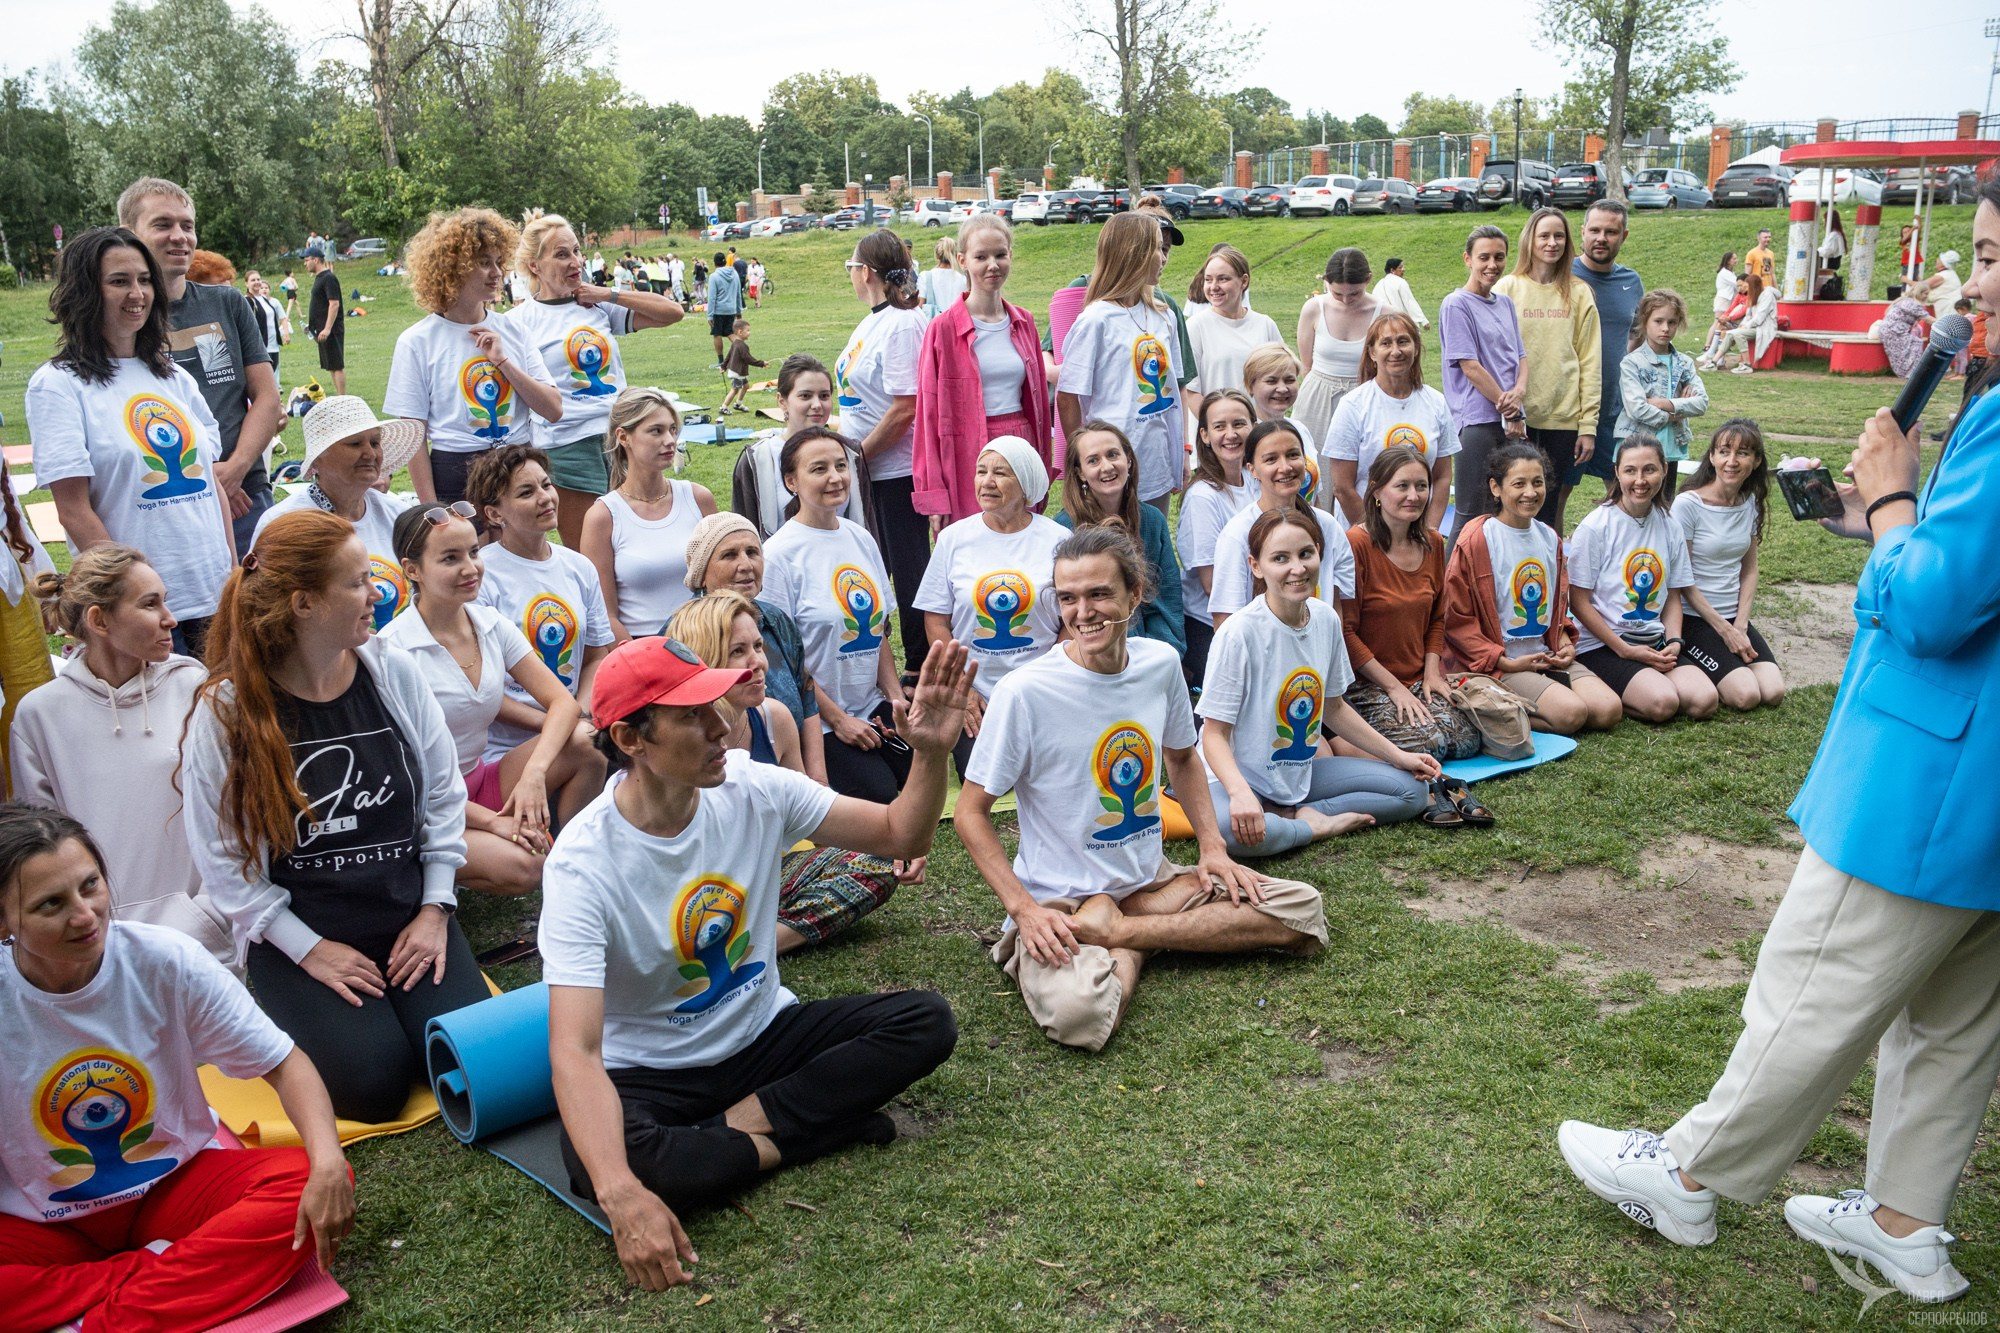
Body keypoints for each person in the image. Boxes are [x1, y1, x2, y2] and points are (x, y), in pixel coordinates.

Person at [1558, 180, 2000, 1304]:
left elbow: (1941, 603)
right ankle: (1903, 1220)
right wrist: (1894, 512)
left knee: (1813, 978)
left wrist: (1893, 507)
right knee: (1951, 1016)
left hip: (1930, 772)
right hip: (1985, 793)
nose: (1972, 286)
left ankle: (1689, 1171)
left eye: (1991, 258)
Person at [542, 635, 966, 1290]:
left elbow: (898, 833)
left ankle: (736, 1137)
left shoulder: (753, 787)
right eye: (691, 715)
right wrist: (622, 1193)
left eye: (718, 703)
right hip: (654, 1072)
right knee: (609, 1168)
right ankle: (812, 1130)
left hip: (763, 1035)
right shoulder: (584, 863)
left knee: (926, 1021)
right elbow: (575, 1049)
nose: (722, 726)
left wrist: (932, 751)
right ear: (630, 739)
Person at [956, 525, 1328, 1052]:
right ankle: (1145, 934)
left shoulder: (1158, 664)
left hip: (1152, 884)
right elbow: (971, 813)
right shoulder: (1025, 692)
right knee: (1079, 1016)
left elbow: (1182, 756)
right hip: (1062, 905)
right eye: (1068, 598)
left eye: (1099, 594)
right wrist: (1024, 912)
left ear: (1134, 594)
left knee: (1302, 910)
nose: (1083, 612)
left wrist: (1212, 848)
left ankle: (1122, 935)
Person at [182, 510, 490, 1122]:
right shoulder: (227, 710)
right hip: (301, 936)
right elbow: (222, 865)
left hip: (409, 919)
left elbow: (443, 799)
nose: (376, 592)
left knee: (470, 1064)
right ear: (303, 603)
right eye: (355, 582)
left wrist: (434, 910)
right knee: (372, 1087)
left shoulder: (392, 672)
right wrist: (308, 950)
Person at [0, 805, 355, 1333]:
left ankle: (102, 1321)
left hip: (172, 1188)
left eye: (90, 885)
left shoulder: (165, 960)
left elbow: (284, 1064)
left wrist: (327, 1164)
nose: (85, 914)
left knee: (308, 1181)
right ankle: (154, 1277)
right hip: (40, 1223)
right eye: (51, 904)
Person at [11, 546, 232, 965]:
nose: (171, 618)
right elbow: (41, 848)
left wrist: (209, 916)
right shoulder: (41, 715)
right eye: (151, 604)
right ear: (99, 620)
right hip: (99, 947)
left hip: (204, 941)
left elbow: (229, 809)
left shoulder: (194, 685)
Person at [27, 226, 236, 657]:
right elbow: (73, 510)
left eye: (144, 280)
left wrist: (232, 575)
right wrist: (132, 596)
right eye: (119, 281)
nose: (137, 293)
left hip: (214, 601)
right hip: (137, 613)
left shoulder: (173, 377)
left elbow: (210, 483)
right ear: (85, 291)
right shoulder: (58, 385)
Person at [382, 500, 604, 896]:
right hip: (427, 810)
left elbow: (564, 703)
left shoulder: (489, 624)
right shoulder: (393, 651)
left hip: (480, 778)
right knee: (527, 868)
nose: (471, 568)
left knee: (588, 741)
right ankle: (420, 872)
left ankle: (577, 862)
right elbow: (410, 782)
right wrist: (492, 822)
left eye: (472, 552)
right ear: (412, 570)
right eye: (450, 558)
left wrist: (535, 772)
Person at [667, 591, 911, 945]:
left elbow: (809, 816)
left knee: (879, 864)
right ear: (702, 658)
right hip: (697, 887)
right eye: (738, 652)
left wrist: (891, 840)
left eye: (758, 646)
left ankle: (758, 944)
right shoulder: (679, 739)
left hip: (767, 873)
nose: (758, 662)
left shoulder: (774, 718)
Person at [1199, 507, 1436, 858]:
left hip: (1299, 775)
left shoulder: (1325, 619)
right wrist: (1239, 793)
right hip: (1235, 777)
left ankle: (1313, 815)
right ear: (1256, 566)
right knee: (1230, 834)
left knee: (1413, 792)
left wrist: (1399, 756)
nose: (1297, 568)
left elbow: (1334, 708)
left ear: (1319, 556)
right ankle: (1310, 827)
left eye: (1305, 554)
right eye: (1280, 558)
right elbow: (1213, 734)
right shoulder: (1239, 633)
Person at [118, 178, 281, 555]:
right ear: (129, 235)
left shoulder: (227, 303)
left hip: (245, 495)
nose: (180, 237)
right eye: (162, 225)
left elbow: (267, 397)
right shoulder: (123, 317)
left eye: (187, 226)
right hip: (165, 501)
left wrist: (237, 467)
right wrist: (207, 478)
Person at [504, 213, 684, 548]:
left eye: (576, 251)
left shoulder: (597, 307)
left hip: (621, 441)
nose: (575, 262)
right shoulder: (518, 322)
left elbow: (673, 313)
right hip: (566, 448)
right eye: (561, 255)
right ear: (534, 266)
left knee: (637, 544)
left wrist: (607, 294)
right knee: (588, 551)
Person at [761, 429, 908, 802]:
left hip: (871, 706)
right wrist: (839, 720)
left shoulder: (860, 538)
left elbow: (877, 633)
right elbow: (783, 661)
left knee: (919, 770)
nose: (835, 477)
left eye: (841, 466)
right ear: (791, 482)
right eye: (819, 469)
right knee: (881, 792)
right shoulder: (778, 555)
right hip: (819, 721)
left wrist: (894, 698)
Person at [384, 208, 562, 506]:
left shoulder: (514, 331)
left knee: (524, 553)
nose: (497, 273)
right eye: (483, 263)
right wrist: (431, 509)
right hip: (456, 474)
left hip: (518, 465)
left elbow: (553, 409)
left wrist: (504, 363)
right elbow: (415, 439)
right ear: (453, 268)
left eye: (498, 262)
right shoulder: (416, 342)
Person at [1444, 443, 1623, 735]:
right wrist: (1503, 661)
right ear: (1496, 487)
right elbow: (1456, 618)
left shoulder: (1549, 537)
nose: (1531, 492)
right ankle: (1482, 710)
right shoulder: (1478, 539)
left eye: (1537, 482)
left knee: (1608, 710)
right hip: (1501, 663)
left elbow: (1557, 607)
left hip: (1544, 654)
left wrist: (1564, 641)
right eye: (1519, 484)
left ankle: (1536, 700)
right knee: (1572, 714)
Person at [913, 437, 1066, 774]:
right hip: (976, 691)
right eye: (981, 471)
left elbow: (1070, 621)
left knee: (1048, 768)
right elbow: (936, 618)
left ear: (1026, 485)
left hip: (1041, 685)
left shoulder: (1058, 541)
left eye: (1001, 473)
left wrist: (1052, 679)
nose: (987, 482)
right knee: (986, 771)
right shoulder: (953, 538)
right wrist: (961, 688)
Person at [469, 444, 615, 765]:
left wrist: (581, 712)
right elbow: (479, 684)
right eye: (526, 492)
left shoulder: (579, 568)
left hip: (577, 727)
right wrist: (559, 723)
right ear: (494, 514)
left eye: (546, 484)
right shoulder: (480, 575)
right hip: (504, 747)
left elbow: (595, 656)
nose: (545, 497)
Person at [1339, 448, 1484, 770]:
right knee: (1429, 743)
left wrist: (1432, 673)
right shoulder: (1355, 544)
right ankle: (1344, 741)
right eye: (1402, 486)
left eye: (1421, 486)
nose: (1414, 496)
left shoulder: (1432, 541)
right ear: (1377, 491)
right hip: (1367, 683)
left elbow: (1437, 618)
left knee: (1465, 740)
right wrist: (1392, 687)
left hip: (1419, 677)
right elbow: (1344, 632)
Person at [1563, 432, 1718, 723]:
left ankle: (1645, 682)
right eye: (1630, 470)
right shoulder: (1596, 527)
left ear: (1664, 470)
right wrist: (1625, 650)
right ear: (1616, 473)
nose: (1640, 480)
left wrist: (1674, 640)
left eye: (1649, 469)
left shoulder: (1670, 524)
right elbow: (1578, 601)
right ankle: (1616, 687)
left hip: (1653, 640)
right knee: (1663, 703)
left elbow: (1673, 594)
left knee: (1704, 701)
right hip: (1605, 644)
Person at [913, 214, 1053, 525]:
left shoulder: (1024, 322)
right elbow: (928, 414)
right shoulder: (942, 329)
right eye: (981, 257)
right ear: (963, 260)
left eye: (1000, 255)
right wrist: (933, 492)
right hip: (967, 452)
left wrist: (1041, 465)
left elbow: (1041, 404)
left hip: (1019, 440)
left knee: (1021, 536)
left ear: (1010, 256)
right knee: (974, 545)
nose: (992, 265)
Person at [835, 230, 932, 677]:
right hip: (871, 468)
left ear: (866, 272)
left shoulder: (903, 323)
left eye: (851, 268)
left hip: (894, 470)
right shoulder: (874, 320)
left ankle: (918, 661)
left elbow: (905, 408)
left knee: (909, 567)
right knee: (884, 565)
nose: (850, 276)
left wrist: (857, 460)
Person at [252, 396, 423, 631]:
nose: (370, 454)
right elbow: (268, 612)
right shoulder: (285, 523)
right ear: (319, 457)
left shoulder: (398, 514)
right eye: (355, 444)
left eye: (375, 443)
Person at [1056, 213, 1189, 511]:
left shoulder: (1164, 316)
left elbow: (1173, 393)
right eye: (1157, 248)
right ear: (1134, 254)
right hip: (1110, 466)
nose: (1163, 258)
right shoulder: (1096, 320)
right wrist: (1083, 457)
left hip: (1155, 462)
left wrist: (1180, 452)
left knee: (1150, 543)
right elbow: (1067, 396)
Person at [685, 512, 829, 785]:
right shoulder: (684, 634)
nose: (746, 565)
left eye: (753, 552)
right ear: (702, 573)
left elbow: (806, 694)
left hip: (788, 759)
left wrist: (818, 779)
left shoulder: (775, 619)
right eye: (729, 555)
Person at [581, 387, 717, 640]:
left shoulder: (698, 499)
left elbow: (722, 587)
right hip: (640, 647)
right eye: (656, 431)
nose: (669, 440)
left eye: (672, 430)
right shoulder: (603, 517)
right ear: (624, 437)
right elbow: (604, 615)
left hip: (705, 641)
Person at [1495, 207, 1601, 531]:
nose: (1552, 243)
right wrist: (1508, 411)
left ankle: (1546, 578)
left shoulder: (1579, 292)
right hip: (1515, 420)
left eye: (1559, 236)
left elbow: (1590, 361)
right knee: (1507, 506)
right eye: (1544, 235)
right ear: (1530, 240)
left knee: (1548, 507)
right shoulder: (1506, 289)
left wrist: (1588, 426)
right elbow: (1494, 355)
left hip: (1562, 418)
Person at [1669, 419, 1785, 712]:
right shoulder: (1688, 505)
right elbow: (1681, 580)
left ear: (1757, 461)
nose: (1732, 461)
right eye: (1724, 452)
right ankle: (1686, 663)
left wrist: (1741, 624)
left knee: (1772, 691)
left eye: (1743, 453)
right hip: (1694, 617)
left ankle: (1723, 664)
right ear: (1712, 456)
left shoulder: (1749, 502)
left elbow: (1749, 569)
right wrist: (1724, 630)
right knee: (1745, 695)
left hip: (1734, 616)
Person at [1054, 422, 1185, 654]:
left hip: (1148, 648)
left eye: (1113, 454)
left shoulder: (1152, 520)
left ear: (1129, 460)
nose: (1107, 466)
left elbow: (1167, 600)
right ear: (1079, 472)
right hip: (1093, 649)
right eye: (1093, 460)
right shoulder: (1064, 529)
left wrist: (1163, 654)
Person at [1208, 419, 1352, 628]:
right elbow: (1225, 622)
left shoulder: (1328, 526)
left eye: (1293, 455)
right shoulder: (1238, 534)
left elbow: (1336, 608)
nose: (1285, 467)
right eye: (1271, 459)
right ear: (1252, 470)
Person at [1324, 312, 1456, 530]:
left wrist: (1430, 531)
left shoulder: (1436, 402)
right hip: (1365, 533)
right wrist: (1376, 536)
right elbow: (1342, 487)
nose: (1396, 351)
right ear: (1372, 353)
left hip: (1417, 532)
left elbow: (1442, 477)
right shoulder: (1353, 406)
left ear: (1416, 348)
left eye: (1403, 341)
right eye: (1386, 343)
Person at [1441, 225, 1529, 542]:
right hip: (1479, 420)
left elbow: (1520, 356)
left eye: (1499, 257)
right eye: (1484, 257)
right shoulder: (1456, 304)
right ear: (1468, 259)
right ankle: (1451, 588)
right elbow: (1470, 366)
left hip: (1511, 420)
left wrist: (1518, 395)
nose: (1492, 264)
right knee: (1469, 513)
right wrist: (1510, 410)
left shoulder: (1504, 304)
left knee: (1504, 511)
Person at [733, 354, 876, 540]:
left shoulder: (850, 453)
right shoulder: (758, 460)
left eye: (824, 396)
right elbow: (744, 535)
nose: (817, 405)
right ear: (782, 401)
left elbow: (867, 523)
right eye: (805, 396)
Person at [1176, 390, 1259, 686]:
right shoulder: (1203, 497)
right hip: (1211, 624)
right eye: (1219, 426)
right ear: (1205, 435)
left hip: (1258, 611)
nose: (1231, 434)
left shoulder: (1255, 481)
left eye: (1239, 424)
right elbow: (1212, 585)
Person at [1572, 200, 1645, 506]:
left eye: (1611, 232)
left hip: (1615, 409)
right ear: (1583, 233)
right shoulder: (1563, 275)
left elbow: (1638, 334)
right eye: (1595, 230)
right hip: (1568, 409)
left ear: (1623, 236)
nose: (1602, 238)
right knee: (1556, 495)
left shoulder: (1631, 282)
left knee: (1624, 492)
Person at [1615, 289, 1709, 498]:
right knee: (1632, 505)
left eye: (1672, 322)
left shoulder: (1684, 363)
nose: (1665, 328)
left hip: (1670, 449)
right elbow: (1637, 408)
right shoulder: (1632, 363)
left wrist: (1663, 403)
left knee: (1664, 507)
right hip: (1635, 449)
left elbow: (1701, 402)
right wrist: (1677, 412)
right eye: (1658, 321)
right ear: (1645, 321)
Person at [1294, 248, 1379, 448]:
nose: (1346, 300)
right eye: (1337, 293)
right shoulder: (1313, 309)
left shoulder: (1384, 313)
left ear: (1368, 279)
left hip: (1364, 397)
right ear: (1326, 282)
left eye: (1354, 293)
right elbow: (1306, 366)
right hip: (1317, 398)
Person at [1187, 245, 1283, 408]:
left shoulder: (1265, 325)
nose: (1213, 287)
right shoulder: (1196, 326)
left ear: (1244, 281)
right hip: (1216, 429)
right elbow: (1190, 392)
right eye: (1208, 279)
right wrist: (1217, 427)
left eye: (1223, 279)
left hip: (1258, 430)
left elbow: (1281, 379)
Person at [1242, 342, 1323, 503]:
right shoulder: (1245, 437)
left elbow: (1314, 495)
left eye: (1289, 380)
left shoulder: (1300, 429)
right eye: (1271, 381)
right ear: (1250, 385)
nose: (1282, 388)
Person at [1713, 272, 1779, 375]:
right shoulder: (1754, 295)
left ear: (1753, 286)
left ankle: (1747, 364)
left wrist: (1745, 327)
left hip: (1764, 328)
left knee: (1738, 334)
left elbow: (1759, 318)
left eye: (1748, 287)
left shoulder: (1767, 296)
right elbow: (1748, 315)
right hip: (1754, 326)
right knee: (1731, 333)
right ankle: (1714, 361)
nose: (1746, 290)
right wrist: (1742, 325)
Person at [303, 243, 345, 395]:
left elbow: (334, 304)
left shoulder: (329, 278)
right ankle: (339, 396)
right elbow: (320, 305)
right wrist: (312, 325)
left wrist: (327, 328)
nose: (305, 263)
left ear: (316, 260)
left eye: (307, 260)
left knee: (337, 364)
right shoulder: (320, 278)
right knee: (331, 365)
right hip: (321, 329)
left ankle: (342, 398)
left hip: (331, 330)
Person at [245, 271, 288, 387]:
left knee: (274, 375)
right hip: (261, 346)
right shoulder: (248, 301)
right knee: (265, 379)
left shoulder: (264, 299)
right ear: (246, 284)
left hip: (273, 344)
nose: (257, 282)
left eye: (258, 279)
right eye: (253, 280)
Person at [1699, 273, 1750, 368]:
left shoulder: (1750, 297)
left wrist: (1729, 318)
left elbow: (1743, 311)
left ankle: (1714, 354)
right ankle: (1716, 356)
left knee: (1724, 331)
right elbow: (1731, 308)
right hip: (1734, 323)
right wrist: (1724, 317)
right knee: (1721, 327)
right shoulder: (1739, 295)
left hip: (1742, 324)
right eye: (1737, 286)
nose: (1739, 288)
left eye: (1741, 285)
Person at [720, 318, 766, 415]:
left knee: (746, 386)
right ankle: (723, 407)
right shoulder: (741, 346)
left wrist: (723, 366)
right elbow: (748, 359)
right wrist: (762, 363)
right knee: (735, 390)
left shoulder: (736, 343)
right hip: (737, 373)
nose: (749, 332)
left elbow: (728, 355)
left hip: (740, 372)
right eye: (748, 330)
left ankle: (738, 404)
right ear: (740, 332)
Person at [1370, 256, 1429, 330]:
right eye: (1400, 267)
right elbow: (1409, 302)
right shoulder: (1400, 282)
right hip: (1401, 323)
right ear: (1392, 270)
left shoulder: (1378, 285)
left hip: (1383, 326)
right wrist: (1423, 321)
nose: (1403, 269)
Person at [706, 251, 743, 367]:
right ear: (725, 262)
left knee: (717, 334)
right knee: (730, 333)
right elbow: (738, 293)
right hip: (731, 309)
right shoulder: (734, 274)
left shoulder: (714, 276)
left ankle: (721, 361)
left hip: (719, 310)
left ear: (714, 263)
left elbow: (712, 297)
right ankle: (743, 353)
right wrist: (738, 311)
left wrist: (710, 315)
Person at [917, 236, 965, 319]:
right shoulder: (963, 279)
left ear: (937, 255)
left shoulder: (925, 276)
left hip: (934, 327)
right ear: (955, 254)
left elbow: (920, 306)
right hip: (956, 325)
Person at [1817, 208, 1847, 298]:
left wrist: (1817, 250)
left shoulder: (1834, 236)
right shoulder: (1837, 234)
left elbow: (1827, 252)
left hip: (1829, 264)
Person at [1711, 252, 1739, 321]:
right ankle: (1712, 332)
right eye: (1734, 259)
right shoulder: (1724, 273)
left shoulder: (1730, 273)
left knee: (1724, 323)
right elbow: (1737, 283)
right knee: (1718, 322)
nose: (1736, 260)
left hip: (1728, 300)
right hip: (1724, 300)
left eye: (1736, 258)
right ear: (1728, 261)